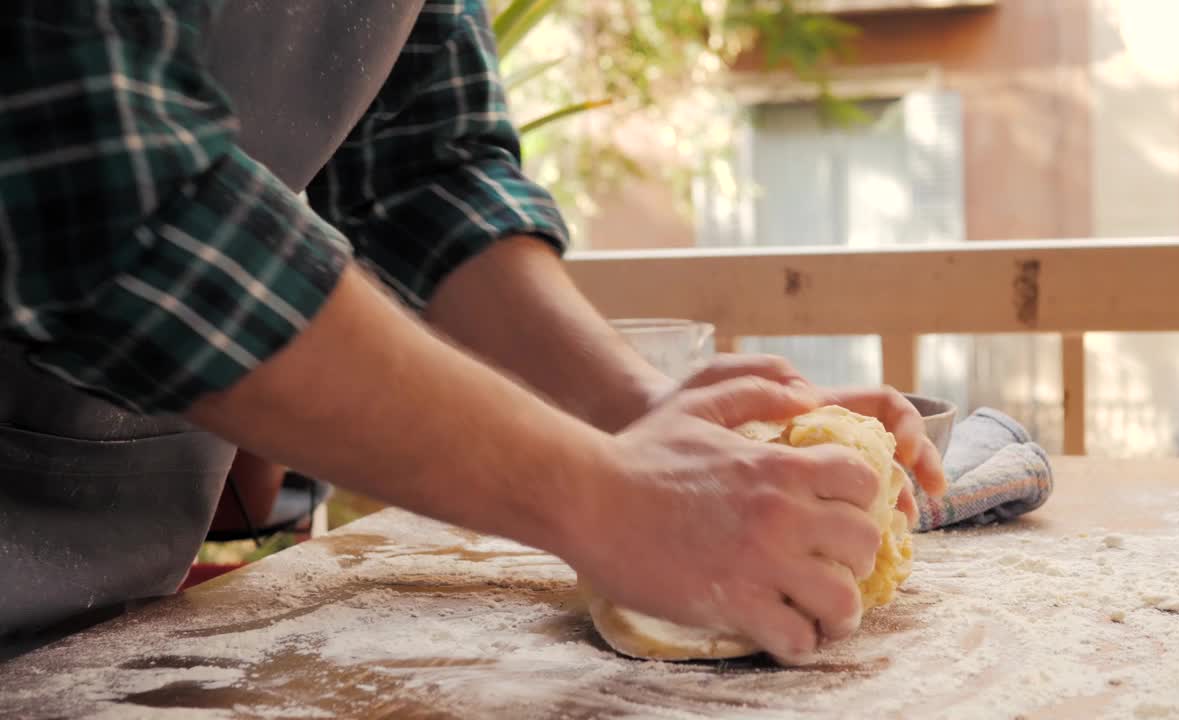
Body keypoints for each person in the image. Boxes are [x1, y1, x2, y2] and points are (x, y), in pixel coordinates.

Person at [0, 0, 945, 663]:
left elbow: (424, 172)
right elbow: (104, 181)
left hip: (106, 613)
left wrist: (645, 416)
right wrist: (600, 496)